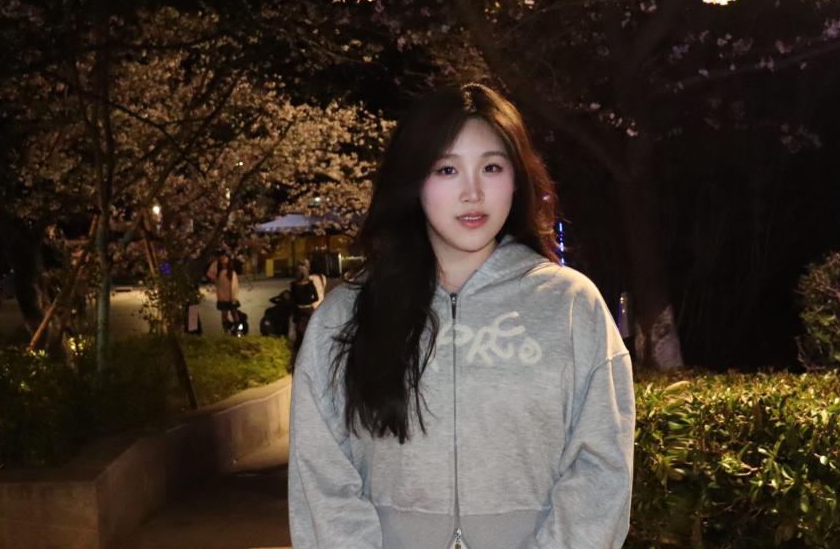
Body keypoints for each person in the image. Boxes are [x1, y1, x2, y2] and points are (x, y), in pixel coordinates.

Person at [288, 84, 635, 549]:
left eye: (492, 167)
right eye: (447, 169)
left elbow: (601, 466)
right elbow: (321, 477)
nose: (473, 192)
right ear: (415, 180)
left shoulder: (571, 306)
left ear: (516, 179)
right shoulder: (345, 316)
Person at [287, 260, 325, 365]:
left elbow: (292, 300)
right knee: (311, 331)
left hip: (299, 311)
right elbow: (316, 297)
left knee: (299, 335)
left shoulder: (293, 285)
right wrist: (308, 300)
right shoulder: (310, 284)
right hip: (309, 310)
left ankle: (297, 358)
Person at [206, 251, 240, 332]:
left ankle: (238, 330)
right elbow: (209, 274)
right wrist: (216, 262)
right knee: (224, 313)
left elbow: (234, 286)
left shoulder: (231, 273)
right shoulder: (219, 271)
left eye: (225, 258)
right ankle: (226, 330)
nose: (223, 260)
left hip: (231, 297)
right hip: (222, 296)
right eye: (221, 258)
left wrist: (233, 297)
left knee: (234, 312)